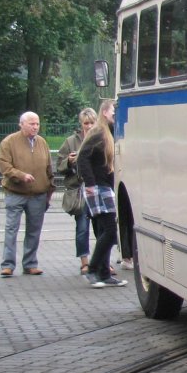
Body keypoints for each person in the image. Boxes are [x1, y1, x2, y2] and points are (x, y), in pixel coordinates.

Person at [77, 99, 128, 289]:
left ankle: (104, 274)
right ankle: (92, 270)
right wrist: (90, 183)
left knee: (106, 231)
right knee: (109, 231)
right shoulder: (98, 132)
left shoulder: (109, 132)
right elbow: (83, 157)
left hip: (104, 186)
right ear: (105, 113)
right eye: (113, 113)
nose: (116, 116)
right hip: (97, 187)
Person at [0, 111, 56, 277]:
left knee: (34, 230)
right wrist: (21, 175)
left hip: (38, 194)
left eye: (37, 124)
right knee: (11, 229)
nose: (35, 127)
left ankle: (30, 264)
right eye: (31, 124)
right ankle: (8, 265)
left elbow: (48, 168)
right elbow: (5, 166)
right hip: (15, 192)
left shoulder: (42, 143)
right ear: (21, 124)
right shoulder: (9, 142)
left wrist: (50, 188)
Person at [57, 108, 98, 274]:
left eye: (91, 123)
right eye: (85, 123)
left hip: (98, 188)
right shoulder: (70, 141)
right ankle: (84, 261)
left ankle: (102, 261)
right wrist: (69, 161)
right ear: (81, 124)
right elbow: (59, 165)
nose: (88, 126)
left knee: (102, 228)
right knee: (82, 228)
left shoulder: (101, 138)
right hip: (80, 191)